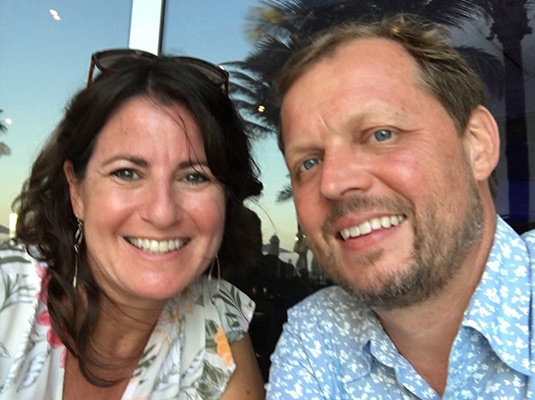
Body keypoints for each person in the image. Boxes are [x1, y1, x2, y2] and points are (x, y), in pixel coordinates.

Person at [267, 13, 535, 399]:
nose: (333, 182)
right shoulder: (319, 332)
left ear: (477, 144)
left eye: (381, 134)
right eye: (308, 162)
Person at [0, 49, 266, 400]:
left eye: (194, 177)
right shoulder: (9, 293)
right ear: (76, 190)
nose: (162, 212)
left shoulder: (217, 328)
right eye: (127, 173)